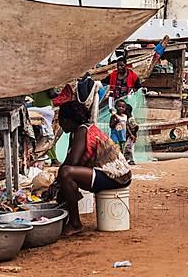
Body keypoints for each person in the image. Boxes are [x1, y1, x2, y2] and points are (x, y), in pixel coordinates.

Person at [55, 101, 132, 236]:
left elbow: (73, 162)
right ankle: (68, 219)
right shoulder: (78, 131)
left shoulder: (82, 130)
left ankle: (75, 223)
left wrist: (58, 181)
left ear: (68, 120)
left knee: (66, 173)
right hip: (114, 175)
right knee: (64, 177)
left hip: (115, 177)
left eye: (60, 119)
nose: (60, 123)